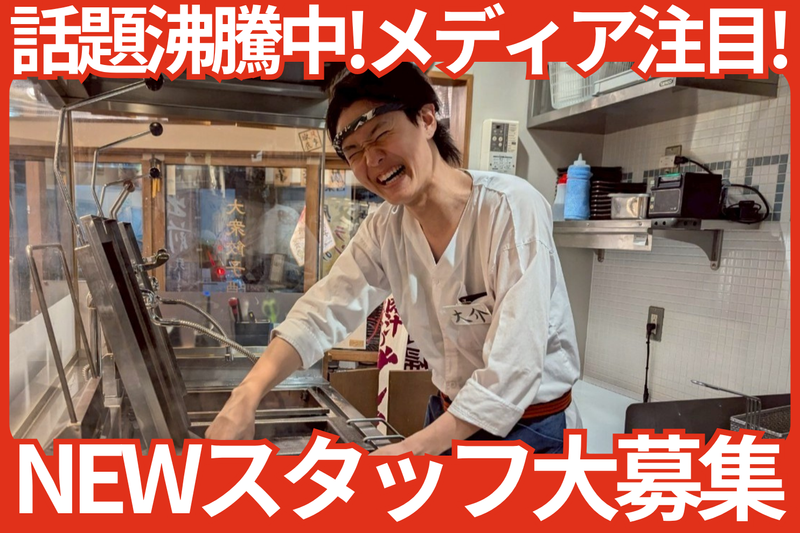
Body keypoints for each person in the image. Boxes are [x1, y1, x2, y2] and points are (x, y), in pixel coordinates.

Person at [205, 63, 581, 455]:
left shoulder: (511, 210)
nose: (372, 161)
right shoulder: (386, 228)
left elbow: (514, 369)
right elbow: (323, 310)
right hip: (448, 417)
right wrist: (246, 395)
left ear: (427, 119)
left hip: (532, 431)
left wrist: (410, 450)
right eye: (354, 152)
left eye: (381, 134)